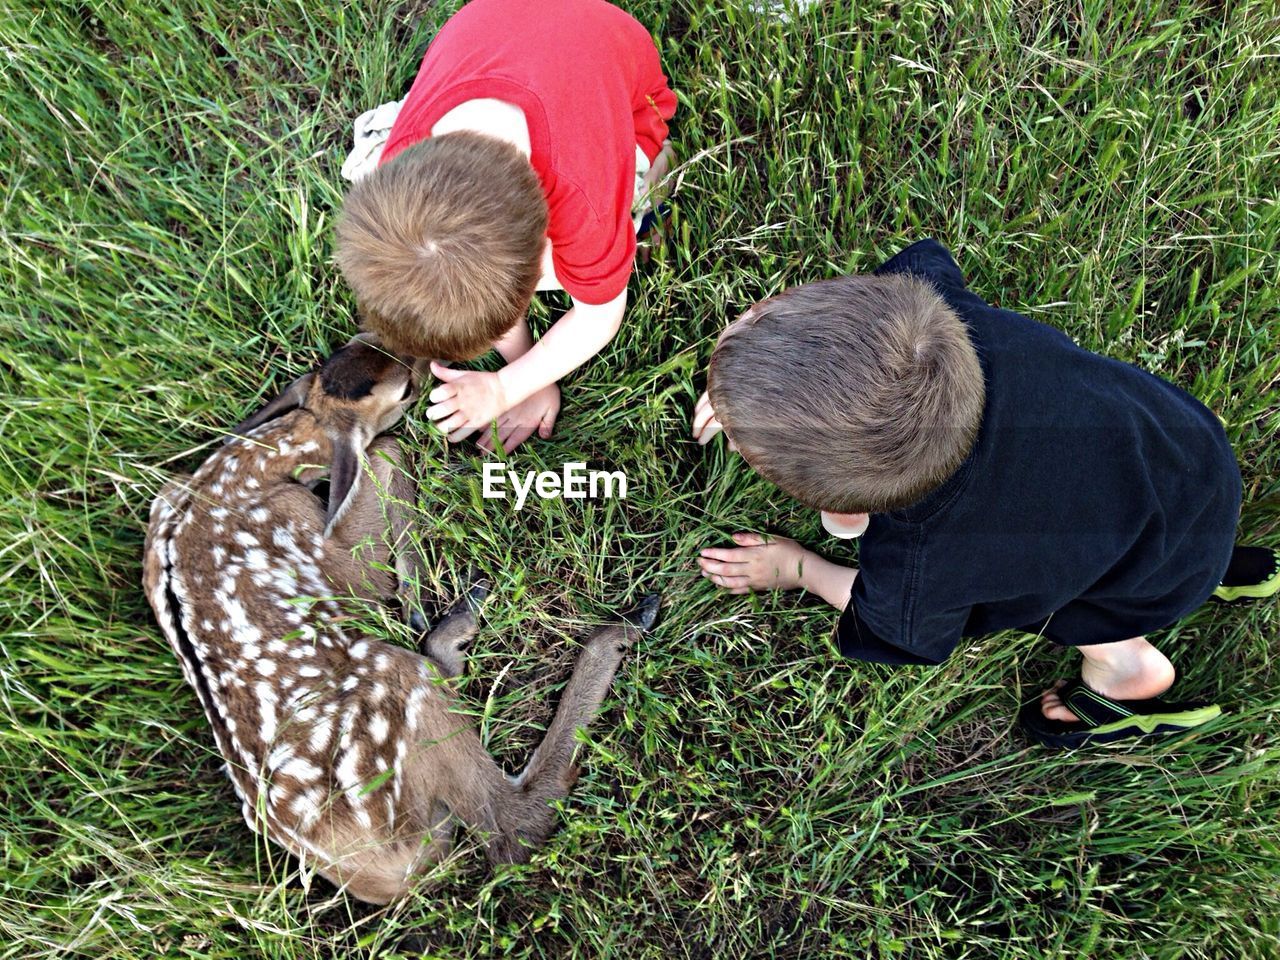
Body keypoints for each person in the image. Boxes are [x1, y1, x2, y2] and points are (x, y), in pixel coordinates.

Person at [692, 238, 1279, 747]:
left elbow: (893, 625)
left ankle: (1127, 671)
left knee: (1075, 593)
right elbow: (916, 267)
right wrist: (756, 394)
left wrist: (798, 567)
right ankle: (1218, 562)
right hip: (1192, 461)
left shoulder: (924, 560)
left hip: (1145, 583)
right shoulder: (937, 319)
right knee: (1116, 515)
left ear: (842, 505)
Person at [336, 0, 676, 453]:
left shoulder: (581, 199)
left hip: (613, 54)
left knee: (640, 198)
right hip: (500, 24)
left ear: (537, 254)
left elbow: (599, 317)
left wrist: (506, 387)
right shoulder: (398, 163)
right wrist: (524, 369)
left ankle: (665, 155)